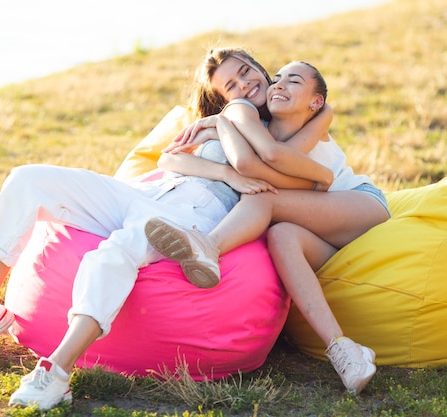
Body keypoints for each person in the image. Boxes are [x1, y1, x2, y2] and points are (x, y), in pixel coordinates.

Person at [0, 48, 333, 410]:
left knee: (116, 252)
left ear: (266, 72)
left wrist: (232, 142)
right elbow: (172, 159)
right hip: (150, 190)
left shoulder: (285, 126)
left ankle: (56, 372)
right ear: (223, 97)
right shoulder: (228, 117)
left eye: (247, 73)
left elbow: (283, 164)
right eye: (231, 85)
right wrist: (222, 162)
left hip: (197, 213)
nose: (245, 85)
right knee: (27, 180)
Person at [144, 61, 391, 395]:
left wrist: (222, 123)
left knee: (265, 200)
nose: (279, 85)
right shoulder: (252, 125)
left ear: (314, 101)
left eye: (293, 80)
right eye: (277, 79)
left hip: (358, 205)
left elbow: (271, 158)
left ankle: (208, 247)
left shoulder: (313, 120)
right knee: (280, 234)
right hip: (321, 231)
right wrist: (222, 123)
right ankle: (344, 349)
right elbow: (173, 157)